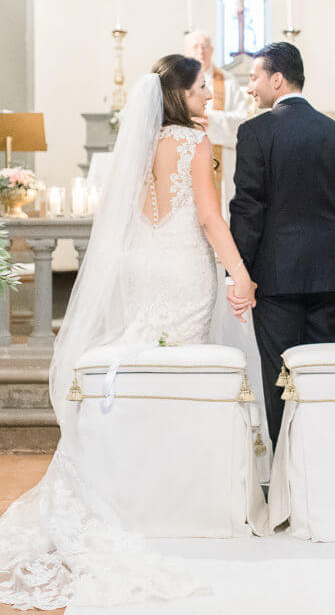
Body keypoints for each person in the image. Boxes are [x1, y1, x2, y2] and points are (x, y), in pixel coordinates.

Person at [0, 55, 261, 609]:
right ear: (175, 96)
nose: (207, 99)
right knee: (176, 375)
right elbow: (211, 218)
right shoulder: (196, 146)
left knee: (143, 362)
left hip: (142, 265)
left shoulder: (135, 146)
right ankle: (171, 490)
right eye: (198, 92)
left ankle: (129, 482)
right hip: (184, 265)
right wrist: (240, 272)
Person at [229, 42, 335, 446]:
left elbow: (248, 209)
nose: (250, 88)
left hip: (276, 278)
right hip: (328, 276)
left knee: (280, 380)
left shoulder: (255, 132)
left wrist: (241, 274)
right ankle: (322, 474)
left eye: (254, 77)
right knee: (322, 376)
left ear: (277, 79)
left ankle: (286, 482)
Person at [184, 30, 251, 218]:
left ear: (212, 50)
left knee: (220, 213)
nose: (201, 51)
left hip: (222, 161)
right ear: (186, 52)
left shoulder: (227, 81)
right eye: (195, 47)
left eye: (205, 46)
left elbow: (242, 121)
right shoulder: (179, 83)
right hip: (187, 158)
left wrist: (210, 121)